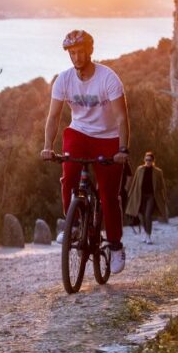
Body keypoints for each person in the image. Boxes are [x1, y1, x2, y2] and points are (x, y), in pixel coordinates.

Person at [40, 30, 130, 274]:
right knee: (68, 177)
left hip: (108, 137)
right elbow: (54, 116)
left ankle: (114, 245)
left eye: (80, 52)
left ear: (90, 51)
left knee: (108, 196)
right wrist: (48, 146)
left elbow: (122, 117)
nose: (77, 57)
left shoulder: (108, 79)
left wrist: (122, 149)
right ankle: (75, 226)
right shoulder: (64, 79)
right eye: (72, 53)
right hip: (79, 133)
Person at [125, 151, 168, 244]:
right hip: (140, 196)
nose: (148, 161)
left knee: (148, 215)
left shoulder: (158, 172)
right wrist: (130, 194)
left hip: (151, 196)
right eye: (146, 159)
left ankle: (148, 236)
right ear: (144, 160)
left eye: (150, 160)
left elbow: (162, 186)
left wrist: (164, 197)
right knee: (141, 216)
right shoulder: (139, 170)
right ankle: (145, 233)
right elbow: (135, 183)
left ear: (153, 161)